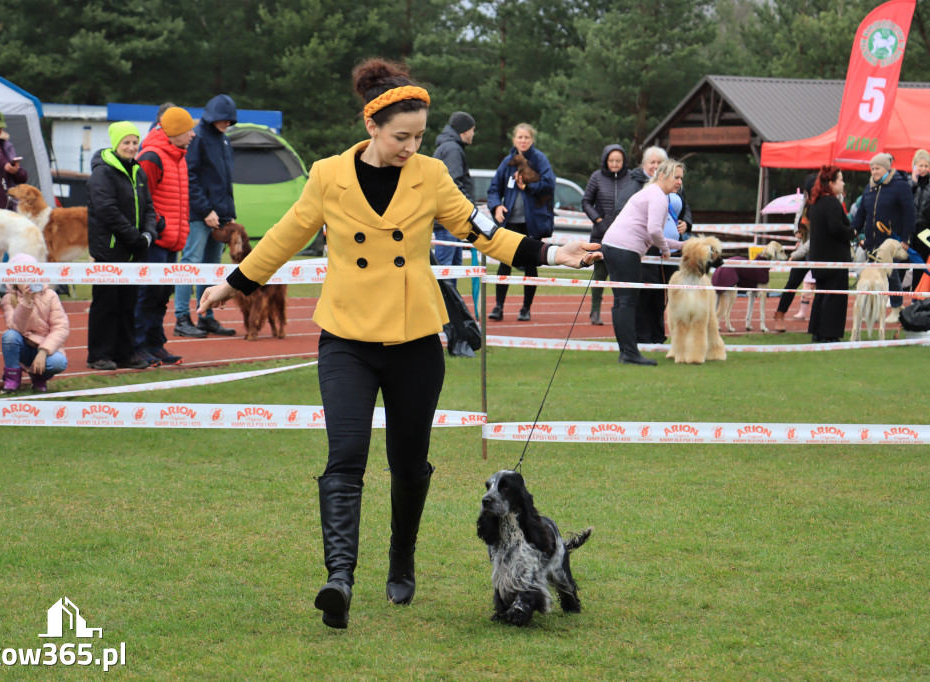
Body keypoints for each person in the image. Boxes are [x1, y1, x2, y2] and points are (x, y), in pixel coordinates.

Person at [196, 58, 600, 630]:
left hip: (414, 342)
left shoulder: (433, 176)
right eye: (401, 136)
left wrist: (551, 252)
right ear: (372, 127)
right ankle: (339, 578)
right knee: (346, 456)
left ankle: (401, 554)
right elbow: (287, 235)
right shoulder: (326, 175)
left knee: (408, 464)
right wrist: (231, 283)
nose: (412, 146)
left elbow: (481, 232)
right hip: (346, 339)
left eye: (419, 135)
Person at [86, 121, 158, 371]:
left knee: (128, 303)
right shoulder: (102, 172)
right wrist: (134, 237)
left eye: (135, 142)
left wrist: (149, 233)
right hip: (110, 249)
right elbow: (107, 210)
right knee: (106, 304)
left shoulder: (138, 171)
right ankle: (98, 354)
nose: (131, 147)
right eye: (126, 142)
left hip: (134, 250)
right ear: (116, 144)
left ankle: (125, 352)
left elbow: (149, 206)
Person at [600, 159, 686, 366]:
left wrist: (685, 247)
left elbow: (658, 234)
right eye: (676, 177)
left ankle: (626, 352)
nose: (679, 182)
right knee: (627, 302)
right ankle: (629, 352)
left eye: (681, 178)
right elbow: (655, 231)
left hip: (614, 246)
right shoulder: (658, 196)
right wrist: (666, 250)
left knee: (622, 302)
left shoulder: (652, 193)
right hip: (624, 250)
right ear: (663, 176)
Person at [133, 106, 197, 366]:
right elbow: (140, 198)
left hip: (172, 240)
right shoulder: (152, 156)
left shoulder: (178, 155)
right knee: (146, 293)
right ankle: (136, 346)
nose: (193, 134)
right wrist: (157, 225)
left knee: (161, 295)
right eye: (188, 130)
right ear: (175, 132)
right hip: (156, 240)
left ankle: (154, 344)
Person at [173, 94, 238, 338]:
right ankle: (181, 317)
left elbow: (226, 182)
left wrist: (228, 214)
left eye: (230, 120)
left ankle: (205, 317)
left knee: (212, 269)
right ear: (212, 117)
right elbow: (189, 177)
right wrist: (205, 210)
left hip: (220, 217)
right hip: (200, 216)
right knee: (190, 264)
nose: (227, 123)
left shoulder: (224, 140)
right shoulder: (197, 138)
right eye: (223, 119)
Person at [486, 123, 556, 322]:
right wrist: (496, 206)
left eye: (526, 137)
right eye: (520, 137)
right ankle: (498, 307)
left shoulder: (540, 160)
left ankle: (526, 308)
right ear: (514, 140)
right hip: (510, 222)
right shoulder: (508, 162)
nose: (523, 141)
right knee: (504, 263)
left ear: (532, 139)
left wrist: (528, 186)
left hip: (532, 224)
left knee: (530, 265)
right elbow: (493, 189)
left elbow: (549, 186)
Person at [851, 152, 917, 323]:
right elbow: (861, 214)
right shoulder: (869, 188)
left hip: (892, 241)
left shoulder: (900, 186)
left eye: (877, 168)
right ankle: (873, 307)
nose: (874, 171)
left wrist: (906, 238)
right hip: (872, 242)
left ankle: (896, 307)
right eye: (872, 168)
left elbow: (909, 212)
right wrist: (852, 230)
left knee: (891, 275)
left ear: (886, 168)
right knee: (873, 276)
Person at [0, 253, 69, 393]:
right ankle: (12, 379)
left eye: (30, 274)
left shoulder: (51, 296)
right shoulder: (8, 299)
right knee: (9, 336)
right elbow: (16, 327)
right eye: (22, 277)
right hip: (23, 346)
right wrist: (26, 303)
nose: (27, 280)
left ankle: (39, 377)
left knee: (58, 363)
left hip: (44, 346)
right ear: (14, 280)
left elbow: (60, 328)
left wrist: (43, 351)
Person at [581, 144, 631, 325]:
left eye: (618, 160)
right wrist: (598, 220)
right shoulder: (597, 177)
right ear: (605, 160)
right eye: (611, 160)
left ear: (624, 161)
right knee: (599, 274)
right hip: (600, 234)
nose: (615, 163)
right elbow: (586, 202)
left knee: (621, 276)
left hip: (625, 235)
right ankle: (595, 311)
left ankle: (620, 312)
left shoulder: (632, 178)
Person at [807, 166, 854, 343]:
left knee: (822, 294)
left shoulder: (816, 203)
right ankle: (829, 333)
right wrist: (852, 232)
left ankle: (817, 331)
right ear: (831, 183)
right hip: (834, 258)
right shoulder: (833, 202)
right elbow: (835, 228)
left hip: (820, 257)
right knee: (834, 296)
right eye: (840, 179)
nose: (843, 183)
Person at [431, 111, 476, 284]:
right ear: (464, 131)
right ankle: (443, 310)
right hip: (447, 220)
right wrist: (471, 211)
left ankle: (452, 311)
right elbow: (454, 183)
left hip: (450, 221)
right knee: (445, 273)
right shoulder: (452, 149)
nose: (473, 134)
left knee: (454, 270)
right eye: (472, 130)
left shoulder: (451, 147)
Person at [773, 172, 817, 331]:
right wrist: (796, 230)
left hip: (816, 250)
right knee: (792, 283)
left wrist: (795, 254)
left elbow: (817, 238)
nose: (808, 195)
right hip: (804, 248)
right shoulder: (805, 202)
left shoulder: (825, 202)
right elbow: (798, 218)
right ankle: (779, 315)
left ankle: (817, 322)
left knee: (821, 286)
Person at [909, 149, 930, 290]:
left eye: (926, 166)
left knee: (926, 265)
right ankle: (915, 299)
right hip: (912, 231)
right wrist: (914, 182)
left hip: (926, 231)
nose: (923, 169)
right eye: (920, 166)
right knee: (914, 267)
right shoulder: (910, 184)